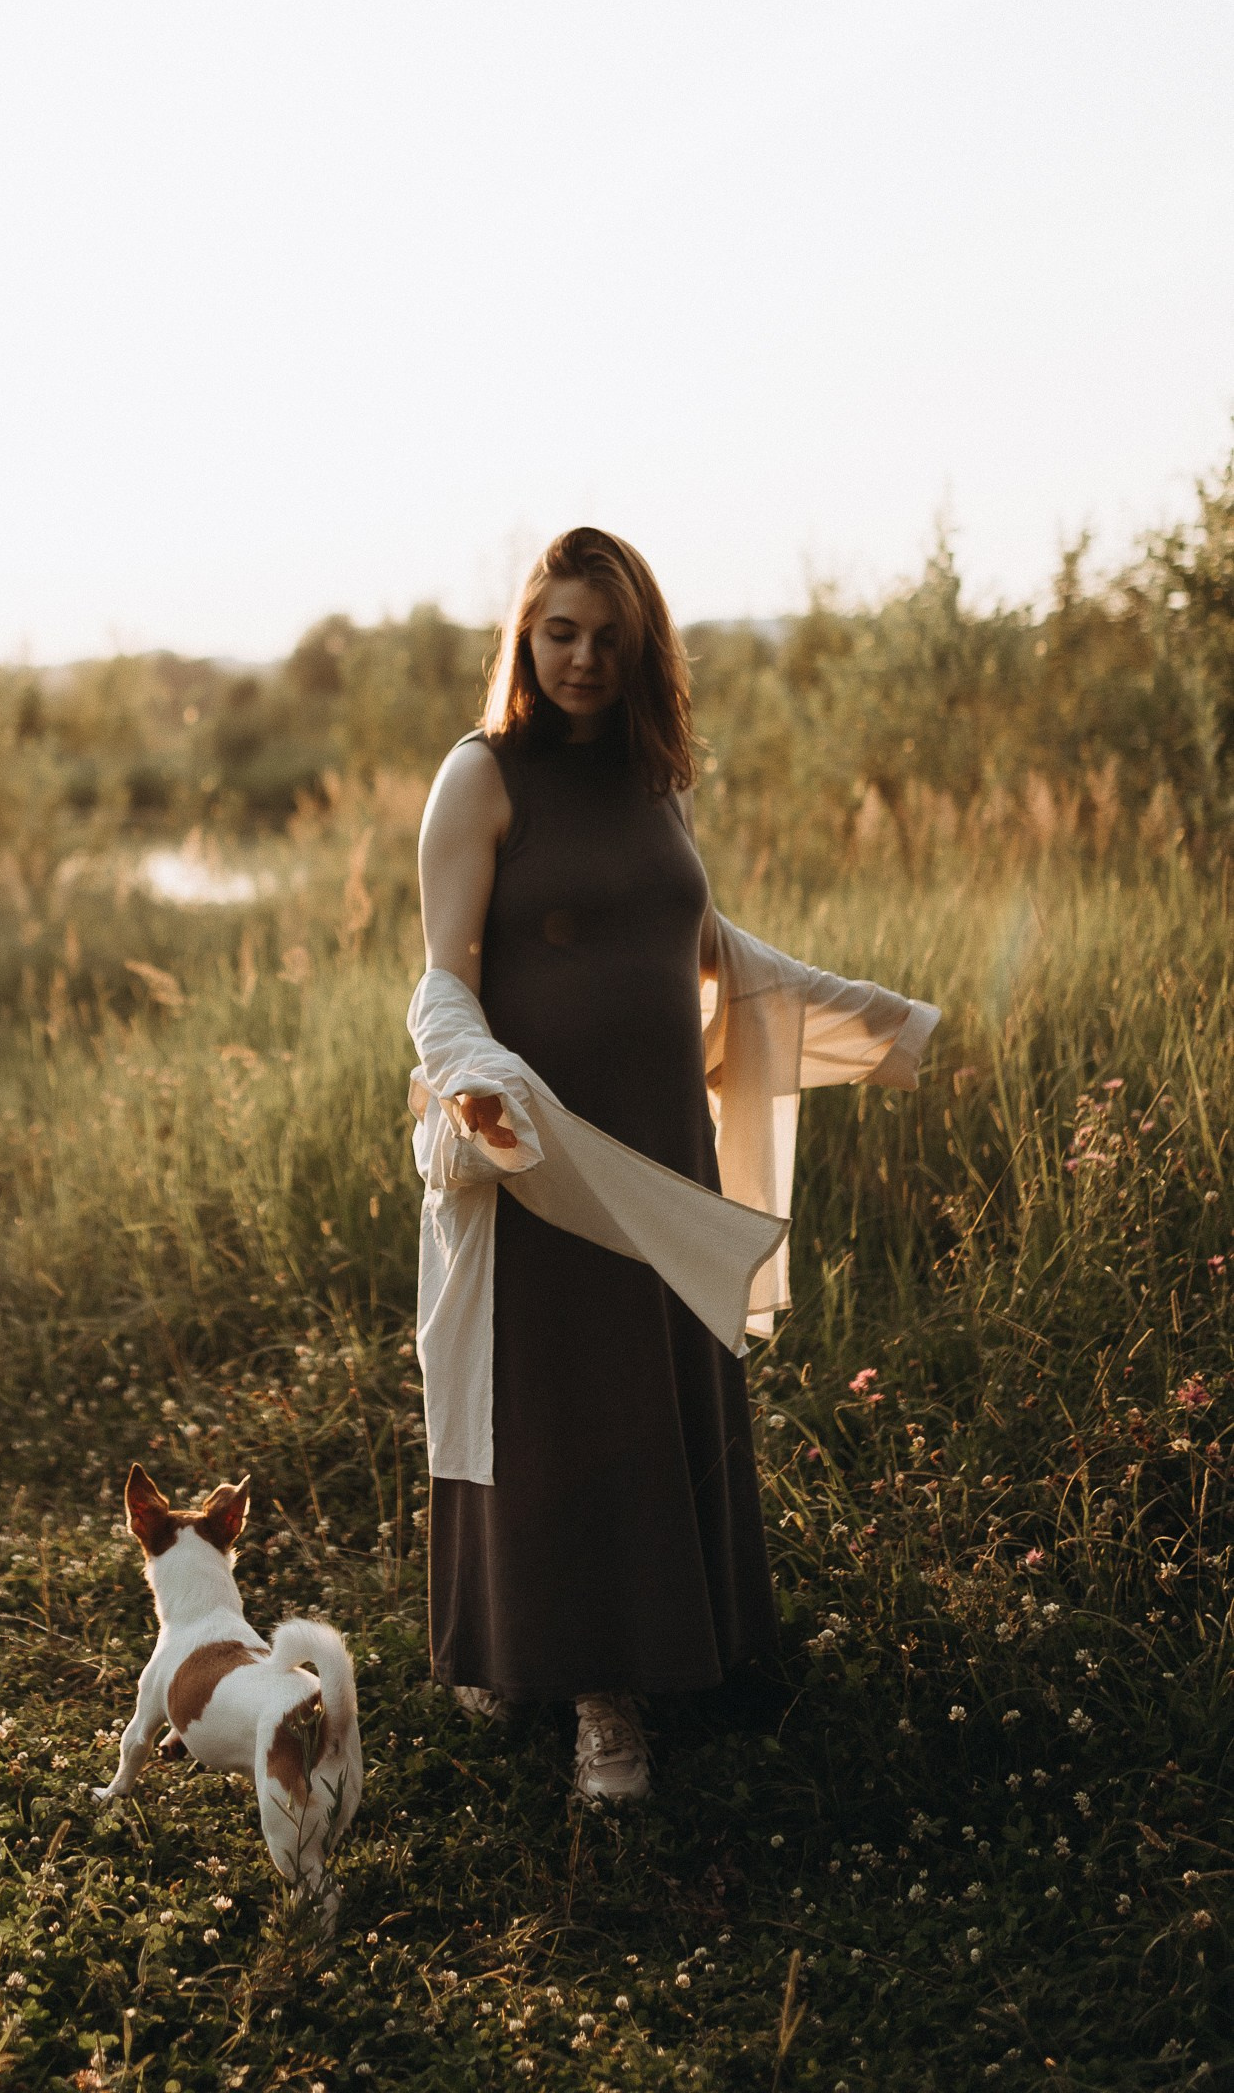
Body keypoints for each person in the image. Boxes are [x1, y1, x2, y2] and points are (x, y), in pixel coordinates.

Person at [416, 525, 771, 1804]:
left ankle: (693, 1633)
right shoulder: (481, 776)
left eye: (608, 640)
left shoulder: (655, 777)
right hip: (544, 1147)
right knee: (568, 1397)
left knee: (659, 1376)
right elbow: (441, 976)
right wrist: (477, 1080)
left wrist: (862, 1012)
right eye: (560, 631)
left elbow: (692, 934)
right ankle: (594, 1695)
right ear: (525, 634)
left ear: (640, 653)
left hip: (660, 1135)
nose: (581, 658)